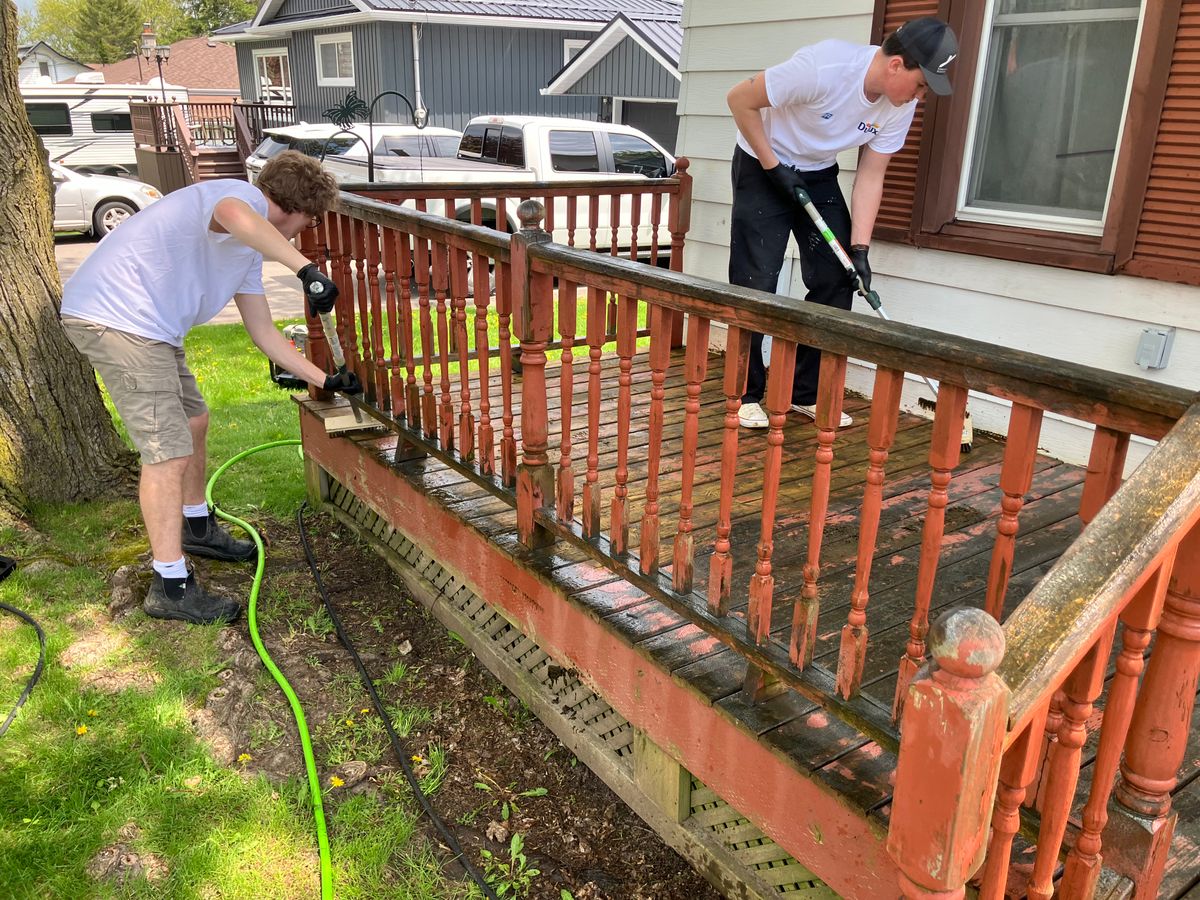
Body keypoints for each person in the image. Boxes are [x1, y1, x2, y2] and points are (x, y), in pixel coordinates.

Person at [60, 150, 361, 625]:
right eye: (308, 221)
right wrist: (304, 270)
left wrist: (327, 379)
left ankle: (196, 525)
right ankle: (171, 585)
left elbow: (263, 334)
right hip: (116, 321)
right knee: (167, 453)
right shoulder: (240, 198)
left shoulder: (245, 253)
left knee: (195, 419)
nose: (305, 231)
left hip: (150, 329)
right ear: (295, 208)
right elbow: (233, 214)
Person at [726, 17, 958, 429]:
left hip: (817, 173)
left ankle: (805, 392)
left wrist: (861, 250)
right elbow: (739, 100)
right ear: (896, 66)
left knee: (838, 275)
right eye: (921, 85)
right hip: (763, 164)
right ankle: (746, 393)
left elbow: (871, 175)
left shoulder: (897, 107)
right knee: (756, 279)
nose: (920, 97)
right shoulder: (824, 68)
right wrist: (774, 166)